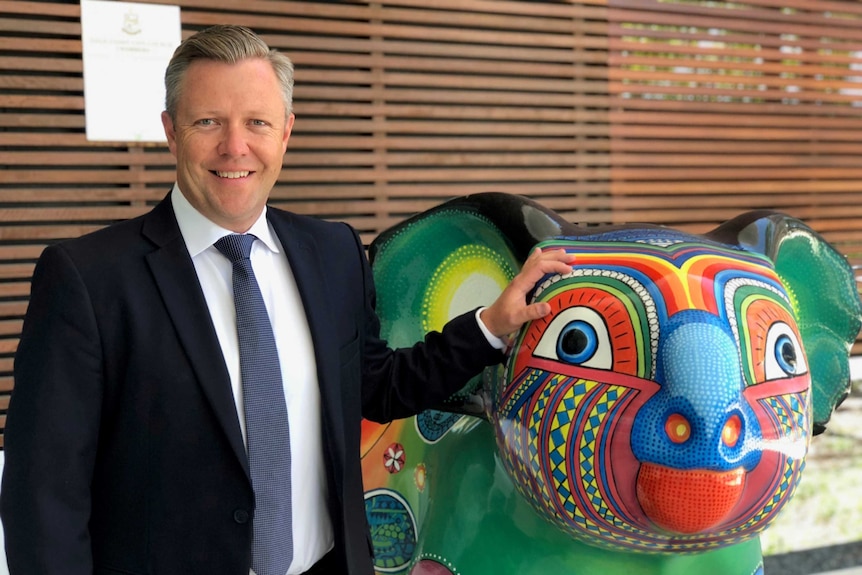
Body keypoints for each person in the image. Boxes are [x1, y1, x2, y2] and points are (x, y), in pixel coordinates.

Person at [0, 25, 573, 575]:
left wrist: (490, 326)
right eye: (208, 121)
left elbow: (377, 385)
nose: (235, 146)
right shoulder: (86, 278)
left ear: (286, 132)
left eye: (257, 122)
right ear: (171, 131)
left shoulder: (334, 252)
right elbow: (43, 493)